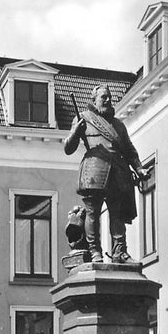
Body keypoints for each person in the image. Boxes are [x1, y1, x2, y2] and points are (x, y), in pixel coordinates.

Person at [64, 84, 148, 263]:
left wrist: (139, 168)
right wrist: (75, 133)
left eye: (109, 97)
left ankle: (120, 252)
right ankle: (95, 251)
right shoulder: (83, 119)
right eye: (104, 97)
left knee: (117, 214)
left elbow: (130, 150)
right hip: (94, 171)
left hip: (118, 173)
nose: (108, 100)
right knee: (92, 212)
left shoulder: (118, 125)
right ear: (94, 100)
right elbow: (68, 148)